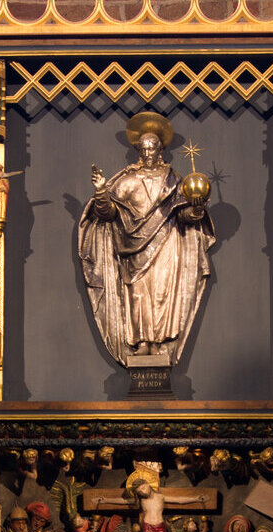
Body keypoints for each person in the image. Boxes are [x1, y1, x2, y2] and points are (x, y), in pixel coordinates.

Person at [78, 111, 216, 365]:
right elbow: (108, 213)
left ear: (160, 150)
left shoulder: (173, 181)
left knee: (162, 293)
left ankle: (159, 342)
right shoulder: (127, 181)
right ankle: (142, 343)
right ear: (138, 151)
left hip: (166, 244)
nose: (147, 153)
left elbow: (184, 216)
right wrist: (100, 191)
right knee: (139, 294)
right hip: (133, 248)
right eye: (143, 148)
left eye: (152, 148)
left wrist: (196, 207)